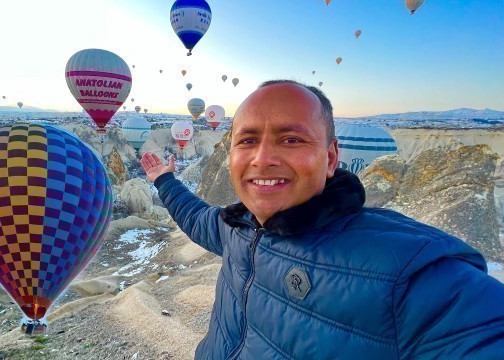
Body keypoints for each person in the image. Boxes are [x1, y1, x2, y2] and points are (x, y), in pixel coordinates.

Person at [141, 80, 504, 359]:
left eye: (291, 139)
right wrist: (165, 181)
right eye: (247, 140)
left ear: (331, 158)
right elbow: (196, 216)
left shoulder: (404, 270)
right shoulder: (237, 228)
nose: (263, 158)